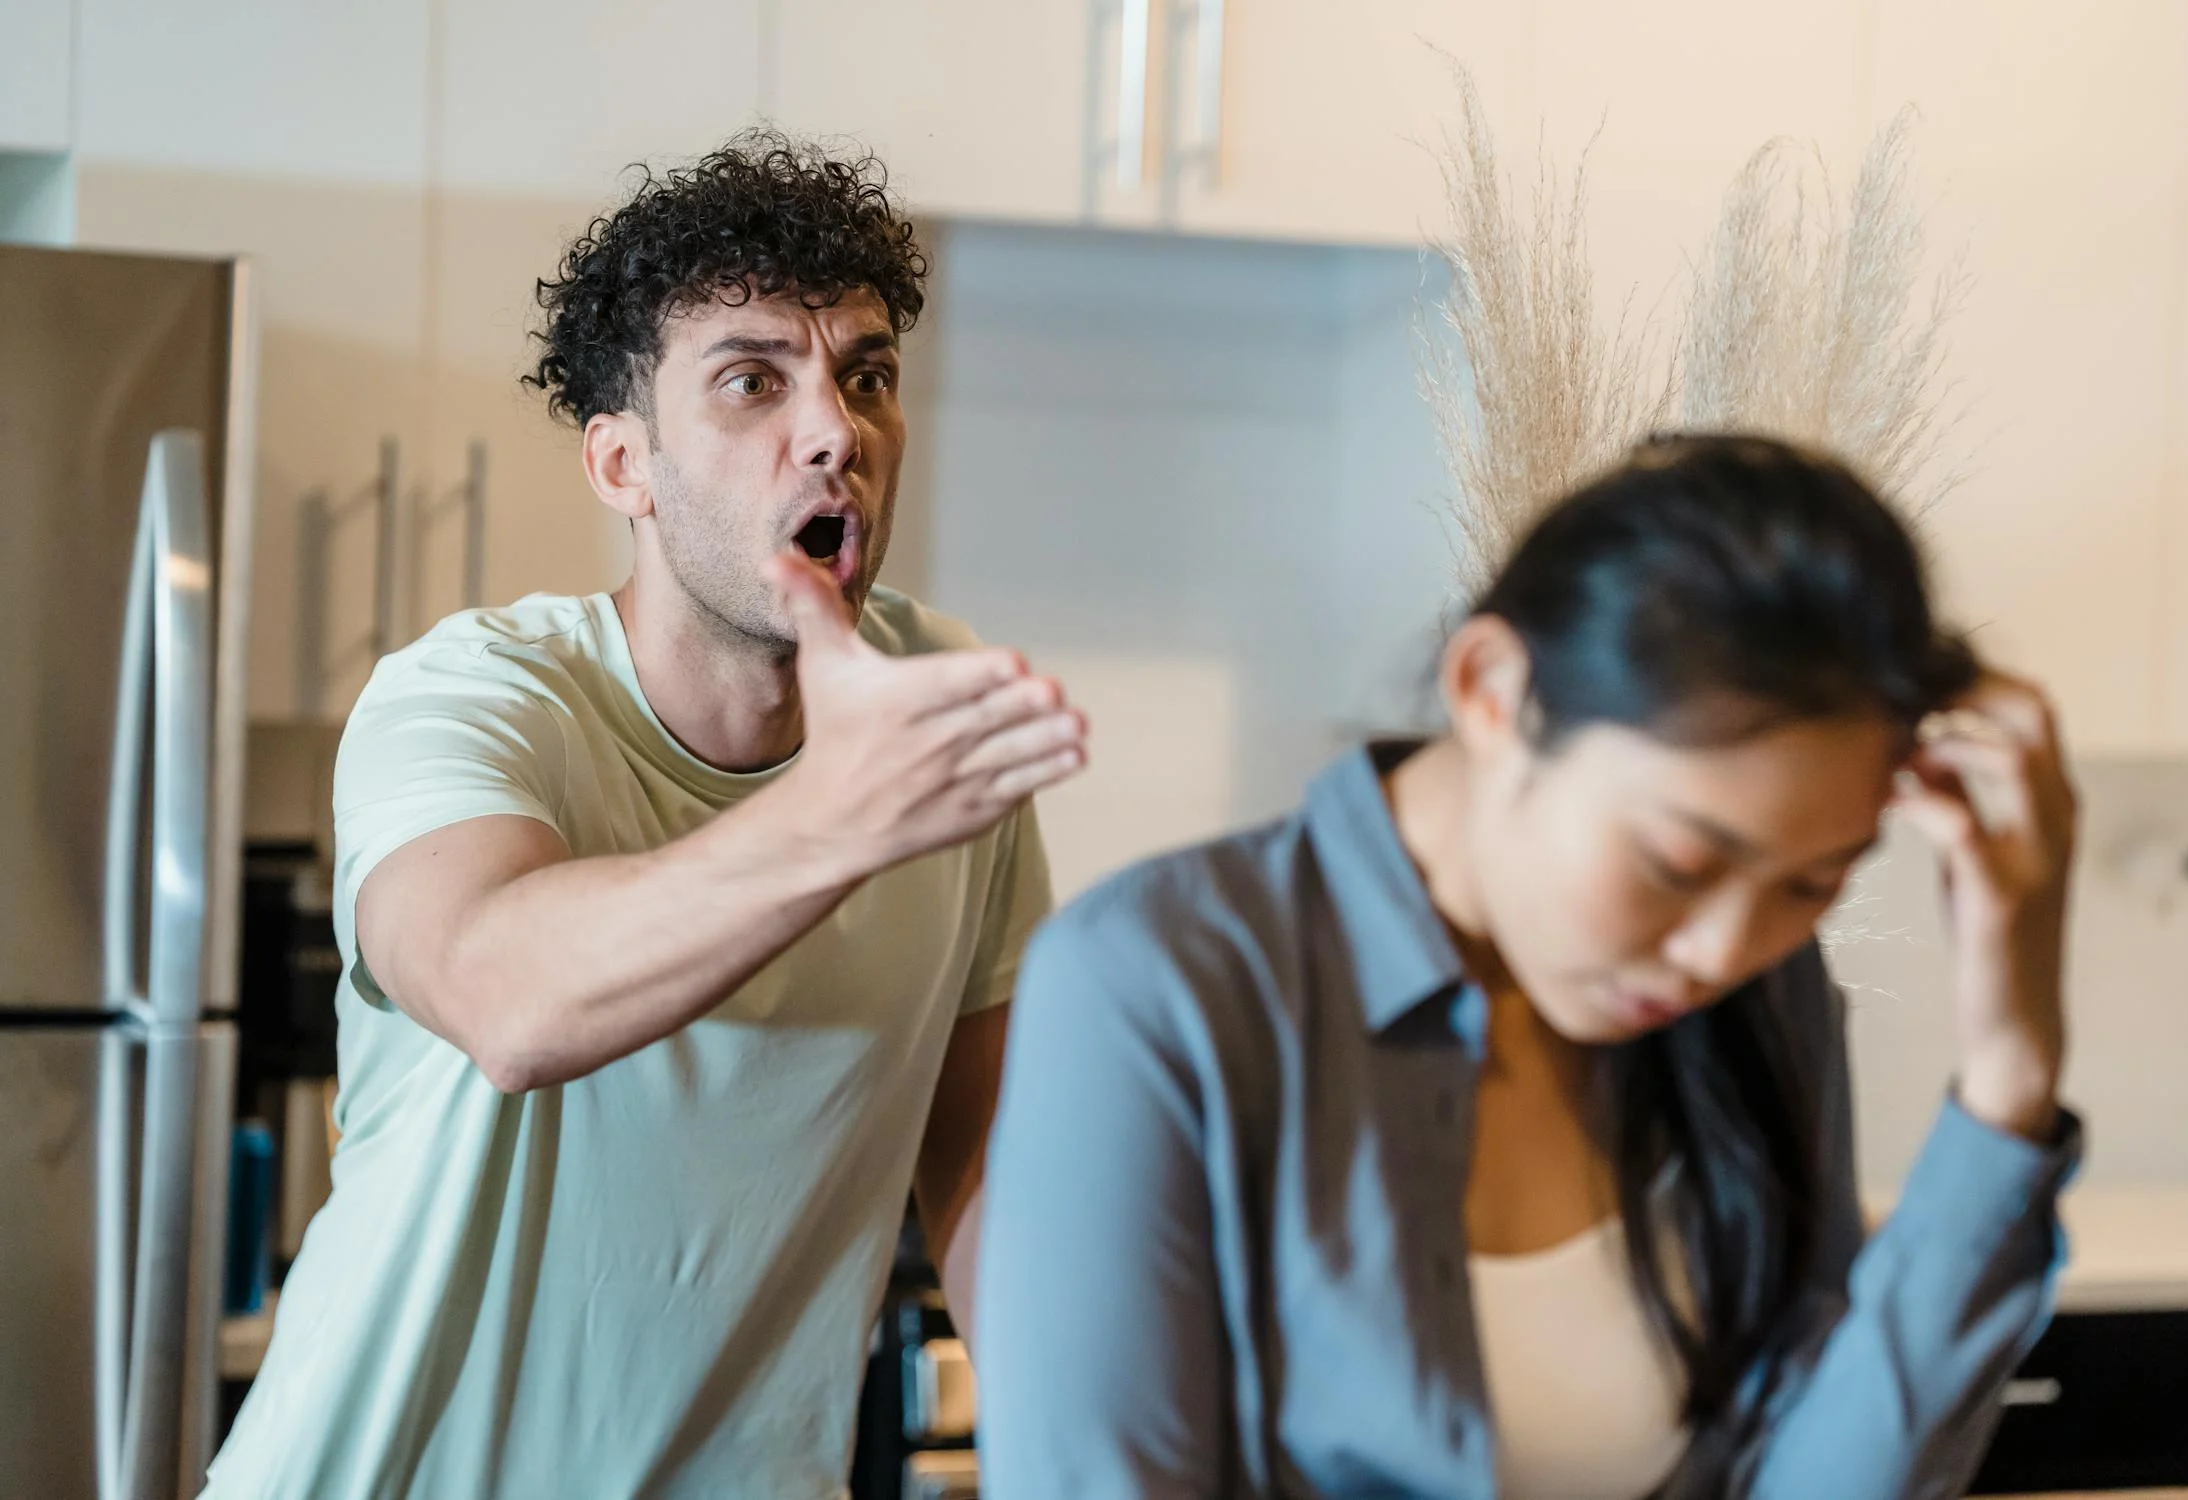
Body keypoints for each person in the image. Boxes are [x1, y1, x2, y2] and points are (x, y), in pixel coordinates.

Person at [205, 131, 1085, 1499]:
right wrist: (842, 819)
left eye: (866, 379)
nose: (833, 433)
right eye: (752, 381)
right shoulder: (473, 696)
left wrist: (1090, 1451)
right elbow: (506, 996)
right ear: (624, 466)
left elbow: (982, 1169)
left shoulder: (926, 707)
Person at [976, 435, 2081, 1500]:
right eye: (1678, 861)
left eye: (1812, 884)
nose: (1721, 952)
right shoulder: (1154, 987)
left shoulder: (1760, 993)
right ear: (1493, 689)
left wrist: (2011, 1069)